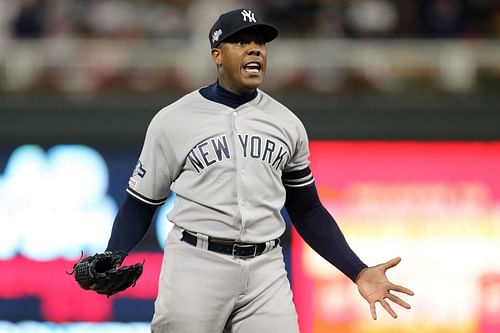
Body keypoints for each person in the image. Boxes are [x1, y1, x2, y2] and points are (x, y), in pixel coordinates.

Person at [105, 8, 414, 333]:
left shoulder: (286, 123)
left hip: (265, 268)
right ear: (217, 56)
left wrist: (358, 271)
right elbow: (141, 202)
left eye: (260, 43)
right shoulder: (173, 120)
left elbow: (307, 210)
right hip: (196, 264)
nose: (255, 49)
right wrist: (114, 254)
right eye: (241, 42)